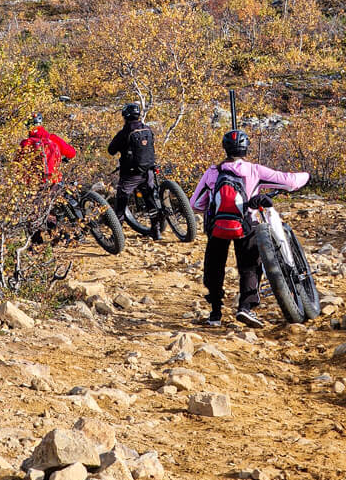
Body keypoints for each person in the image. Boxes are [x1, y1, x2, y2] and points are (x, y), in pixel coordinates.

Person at [190, 128, 309, 329]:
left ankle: (215, 313)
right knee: (249, 265)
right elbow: (290, 183)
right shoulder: (254, 170)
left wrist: (216, 207)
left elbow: (194, 204)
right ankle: (246, 307)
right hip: (246, 224)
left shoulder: (212, 172)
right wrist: (306, 175)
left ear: (225, 148)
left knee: (214, 265)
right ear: (246, 149)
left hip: (217, 226)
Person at [19, 113, 77, 244]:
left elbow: (18, 166)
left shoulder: (26, 143)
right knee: (59, 206)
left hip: (36, 186)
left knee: (34, 213)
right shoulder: (53, 138)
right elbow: (72, 153)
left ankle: (36, 244)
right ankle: (66, 235)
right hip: (55, 181)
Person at [108, 102, 161, 240]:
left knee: (121, 201)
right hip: (148, 170)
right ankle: (156, 231)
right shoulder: (148, 129)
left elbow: (111, 150)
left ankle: (116, 236)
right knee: (150, 199)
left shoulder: (124, 133)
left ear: (125, 116)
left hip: (131, 174)